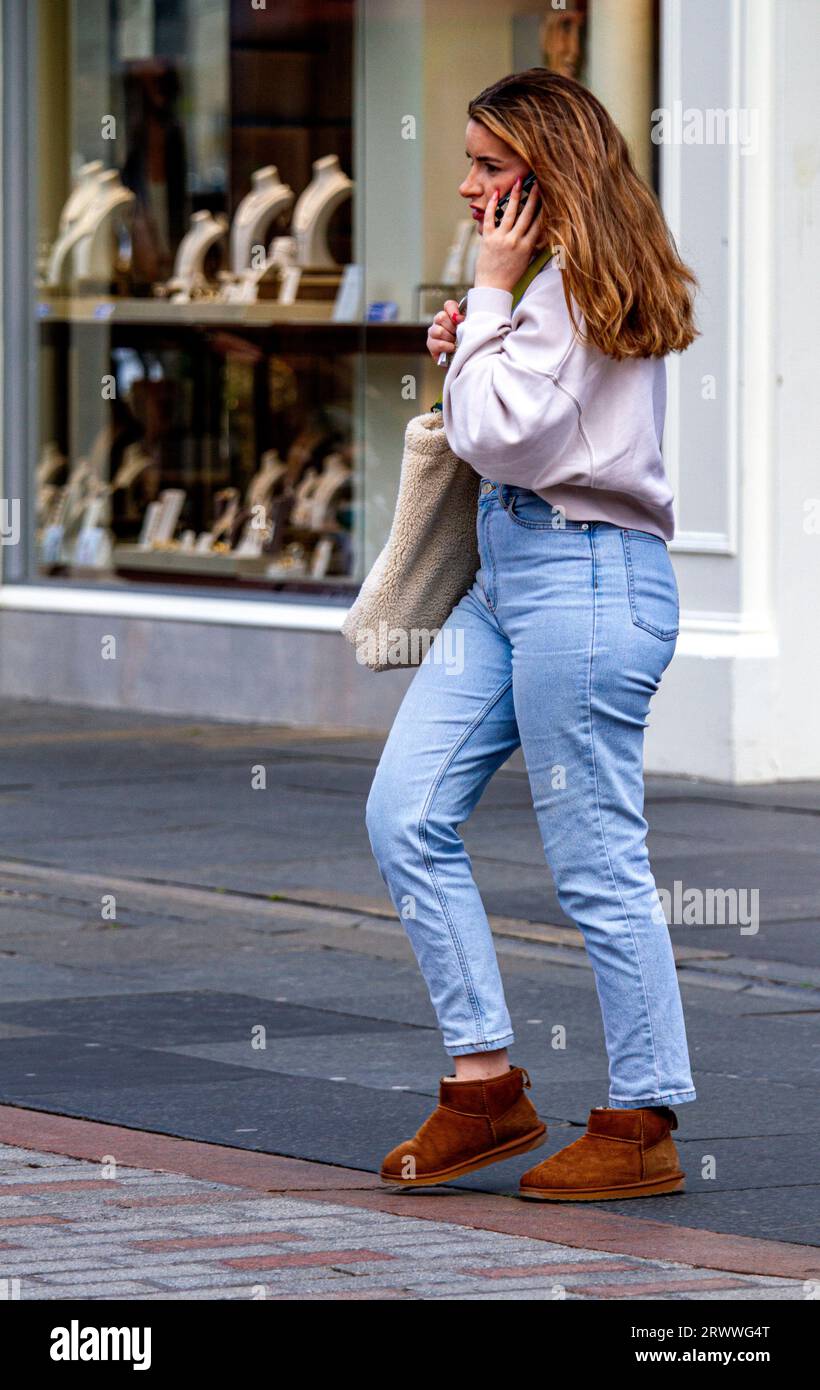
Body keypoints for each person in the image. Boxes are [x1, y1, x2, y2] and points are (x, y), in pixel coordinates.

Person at [365, 68, 699, 1201]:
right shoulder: (553, 284)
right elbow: (496, 418)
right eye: (466, 161)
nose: (467, 187)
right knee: (404, 809)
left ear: (545, 174)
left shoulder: (576, 287)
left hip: (587, 580)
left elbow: (502, 433)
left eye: (488, 166)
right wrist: (485, 328)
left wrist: (491, 303)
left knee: (596, 859)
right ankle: (486, 1087)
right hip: (510, 578)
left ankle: (641, 1117)